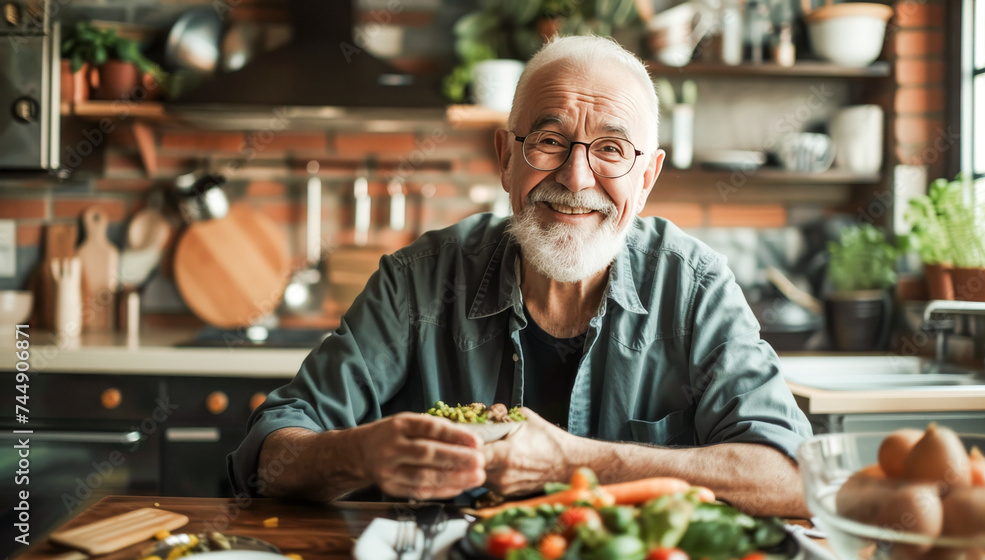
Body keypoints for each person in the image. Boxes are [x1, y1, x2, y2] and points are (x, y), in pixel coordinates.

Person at [228, 35, 812, 517]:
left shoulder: (694, 285)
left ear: (647, 177)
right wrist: (361, 453)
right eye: (551, 141)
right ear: (506, 155)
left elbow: (789, 475)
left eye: (610, 149)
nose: (577, 178)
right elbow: (264, 456)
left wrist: (573, 461)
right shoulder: (420, 280)